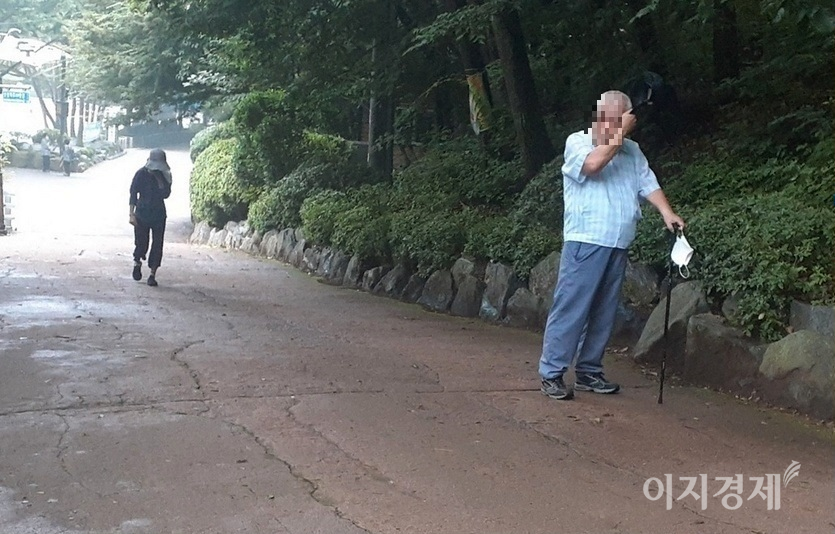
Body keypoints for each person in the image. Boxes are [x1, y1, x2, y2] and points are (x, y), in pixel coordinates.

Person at [539, 90, 685, 401]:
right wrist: (620, 133)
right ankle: (552, 372)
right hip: (585, 240)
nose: (623, 125)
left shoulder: (631, 150)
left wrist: (667, 212)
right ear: (603, 117)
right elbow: (593, 165)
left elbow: (648, 182)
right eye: (618, 119)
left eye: (625, 120)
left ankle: (589, 371)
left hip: (618, 242)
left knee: (604, 312)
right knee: (572, 308)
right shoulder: (579, 142)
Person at [129, 148, 172, 287]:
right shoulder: (140, 174)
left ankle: (153, 274)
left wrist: (160, 180)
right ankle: (137, 262)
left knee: (157, 244)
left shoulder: (165, 175)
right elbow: (133, 194)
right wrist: (131, 214)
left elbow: (166, 194)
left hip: (159, 214)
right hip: (142, 213)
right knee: (141, 242)